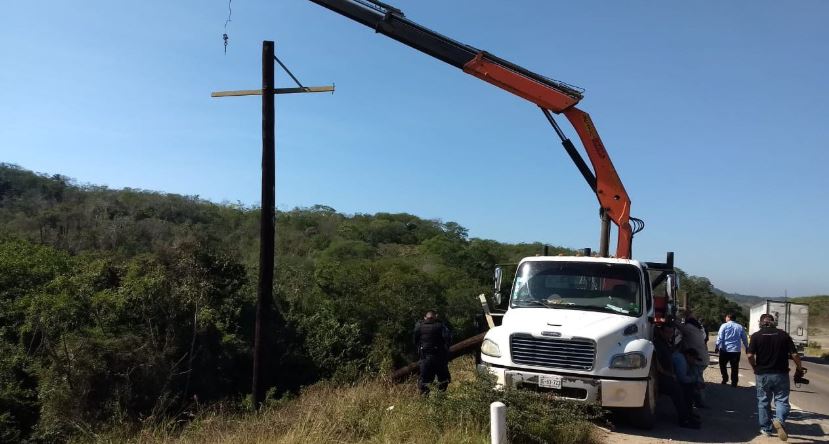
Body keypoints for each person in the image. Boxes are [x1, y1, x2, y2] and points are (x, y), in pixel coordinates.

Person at [747, 313, 804, 441]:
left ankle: (766, 429)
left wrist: (754, 367)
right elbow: (794, 354)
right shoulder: (784, 335)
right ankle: (779, 420)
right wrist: (799, 368)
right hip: (781, 374)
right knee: (782, 400)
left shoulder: (756, 336)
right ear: (773, 322)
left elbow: (750, 355)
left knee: (763, 401)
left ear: (760, 323)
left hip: (762, 374)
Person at [653, 322, 700, 429]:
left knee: (689, 387)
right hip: (662, 377)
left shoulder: (666, 343)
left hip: (669, 375)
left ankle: (688, 414)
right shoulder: (658, 344)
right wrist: (669, 374)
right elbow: (657, 364)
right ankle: (684, 420)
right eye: (667, 332)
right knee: (677, 390)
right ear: (661, 332)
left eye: (671, 332)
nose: (669, 334)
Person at [413, 310, 452, 394]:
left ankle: (425, 402)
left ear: (425, 318)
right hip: (439, 358)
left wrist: (420, 351)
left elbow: (415, 341)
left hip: (425, 358)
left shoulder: (419, 326)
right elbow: (448, 339)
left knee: (425, 382)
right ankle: (440, 399)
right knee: (443, 380)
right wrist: (445, 352)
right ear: (435, 317)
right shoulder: (441, 326)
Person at [715, 313, 748, 386]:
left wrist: (717, 346)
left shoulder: (723, 325)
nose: (725, 319)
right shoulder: (740, 327)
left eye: (726, 317)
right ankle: (734, 382)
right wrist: (747, 347)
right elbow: (744, 338)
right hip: (736, 350)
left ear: (728, 318)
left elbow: (720, 337)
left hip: (725, 350)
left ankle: (725, 378)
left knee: (722, 365)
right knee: (735, 367)